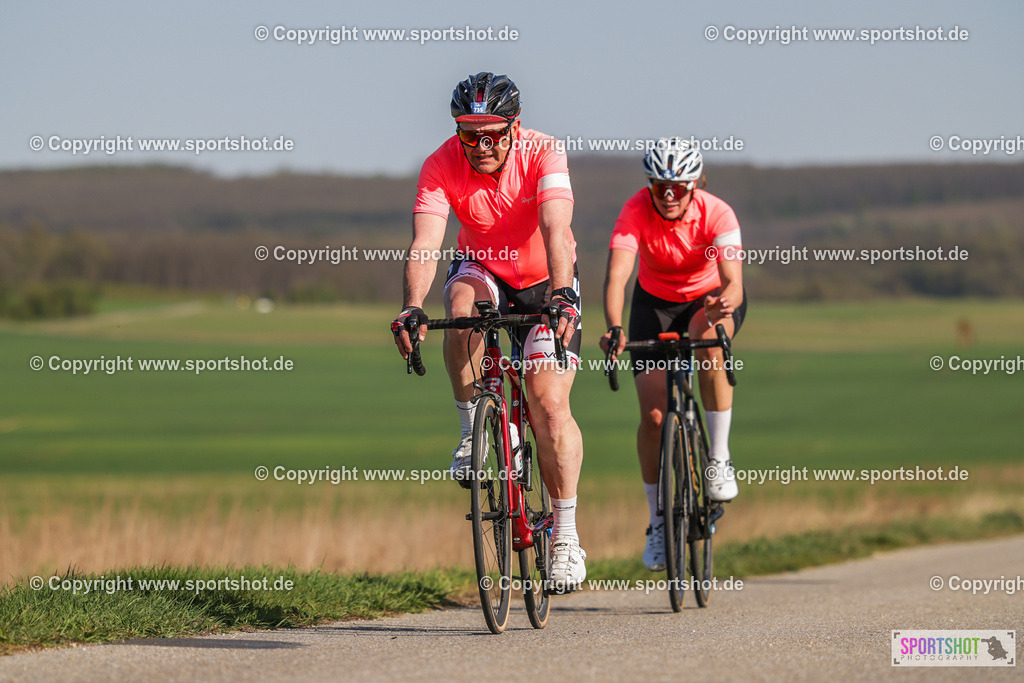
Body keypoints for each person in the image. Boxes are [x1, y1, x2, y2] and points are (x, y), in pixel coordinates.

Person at [391, 72, 586, 591]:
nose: (480, 145)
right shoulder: (440, 164)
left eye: (492, 133)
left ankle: (565, 535)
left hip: (547, 277)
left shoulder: (545, 152)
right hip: (483, 268)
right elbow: (426, 244)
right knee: (460, 308)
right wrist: (412, 306)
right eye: (468, 133)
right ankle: (469, 431)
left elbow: (555, 228)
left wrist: (563, 293)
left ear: (514, 128)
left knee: (547, 404)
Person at [600, 137, 747, 572]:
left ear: (696, 184)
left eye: (678, 187)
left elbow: (733, 282)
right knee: (655, 418)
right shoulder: (634, 211)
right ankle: (659, 522)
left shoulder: (718, 212)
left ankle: (718, 459)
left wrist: (726, 302)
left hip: (709, 301)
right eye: (659, 185)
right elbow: (617, 277)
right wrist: (614, 326)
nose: (668, 194)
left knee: (709, 344)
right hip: (654, 306)